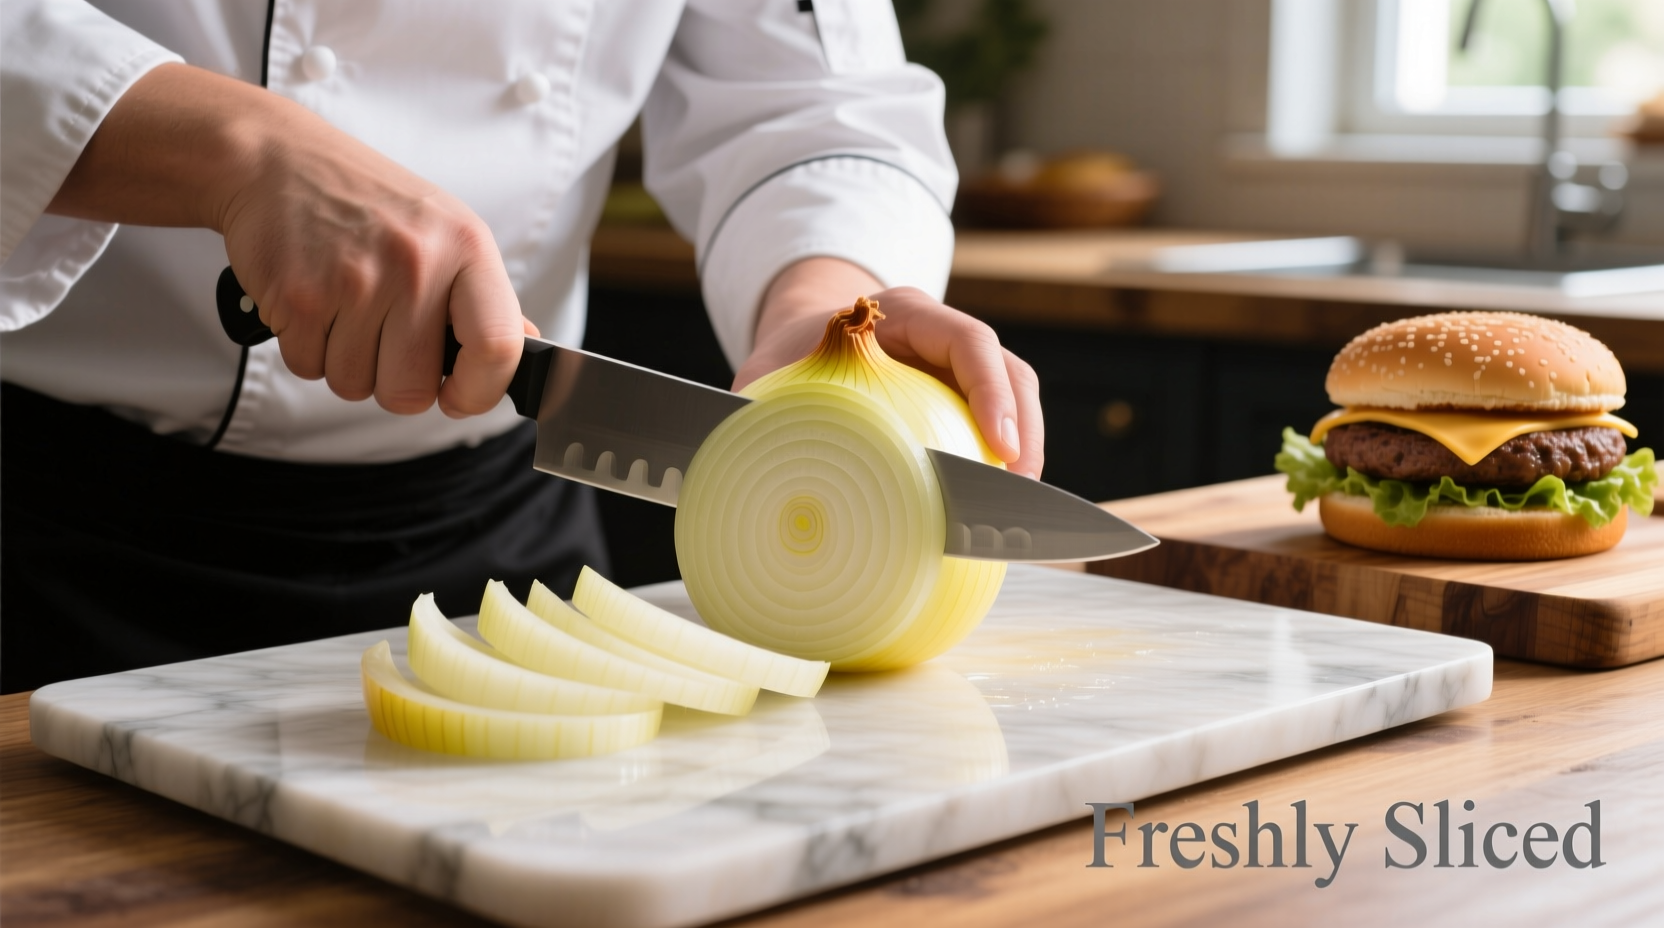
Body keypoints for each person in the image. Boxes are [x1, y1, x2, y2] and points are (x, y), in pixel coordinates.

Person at [0, 0, 1044, 693]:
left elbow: (813, 96)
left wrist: (831, 305)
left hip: (496, 567)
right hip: (47, 539)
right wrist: (232, 143)